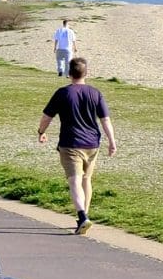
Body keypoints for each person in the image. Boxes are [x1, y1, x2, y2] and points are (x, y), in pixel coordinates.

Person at [36, 56, 117, 234]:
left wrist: (41, 132)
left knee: (75, 182)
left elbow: (46, 117)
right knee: (86, 180)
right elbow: (105, 120)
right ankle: (85, 216)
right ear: (86, 73)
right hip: (92, 144)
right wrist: (112, 141)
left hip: (71, 144)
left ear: (69, 73)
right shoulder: (95, 93)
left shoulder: (63, 93)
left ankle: (82, 216)